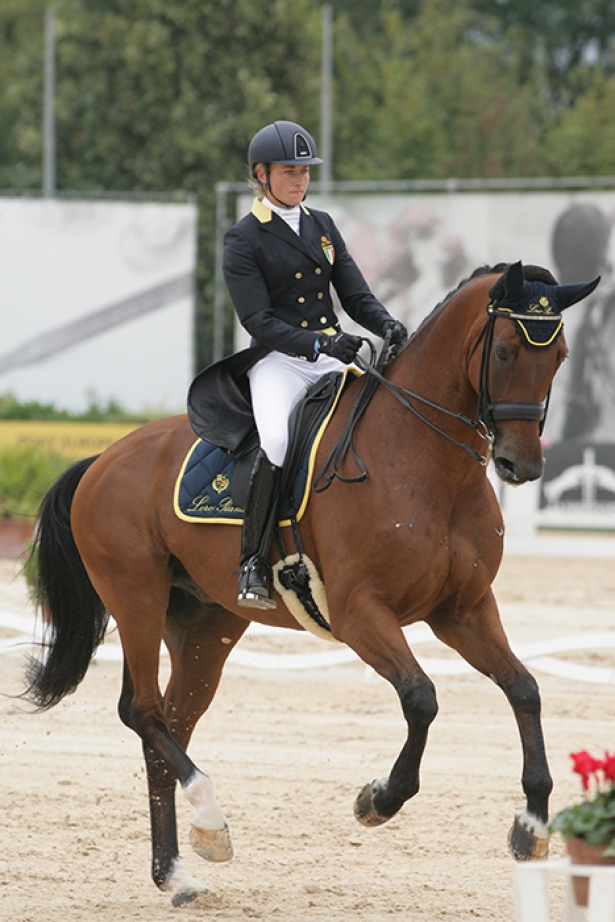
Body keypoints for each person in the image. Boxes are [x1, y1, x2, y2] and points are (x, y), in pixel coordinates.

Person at [221, 120, 407, 609]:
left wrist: (387, 323)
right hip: (280, 362)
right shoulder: (243, 239)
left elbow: (355, 295)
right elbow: (258, 322)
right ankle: (253, 563)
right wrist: (324, 345)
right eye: (289, 172)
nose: (300, 180)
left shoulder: (322, 225)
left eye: (304, 171)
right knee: (279, 441)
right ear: (261, 175)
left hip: (330, 358)